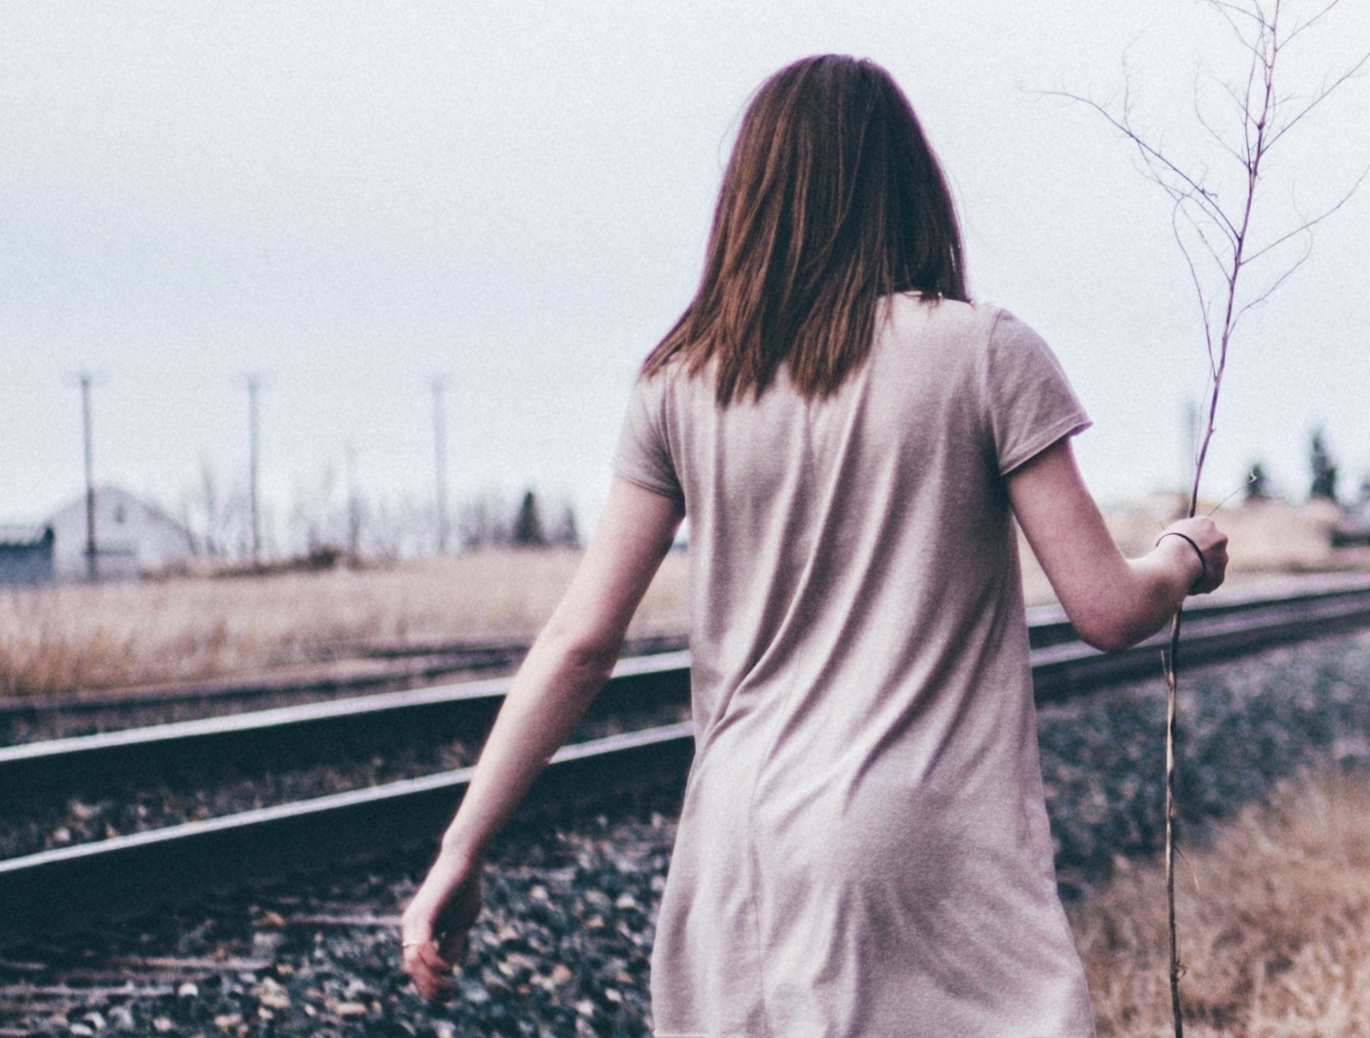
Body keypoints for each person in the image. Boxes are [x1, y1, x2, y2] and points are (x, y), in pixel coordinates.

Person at [398, 54, 1227, 1037]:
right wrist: (1183, 554)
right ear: (911, 189)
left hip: (738, 843)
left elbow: (582, 638)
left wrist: (461, 846)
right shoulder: (985, 352)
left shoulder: (682, 379)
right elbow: (1107, 608)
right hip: (920, 833)